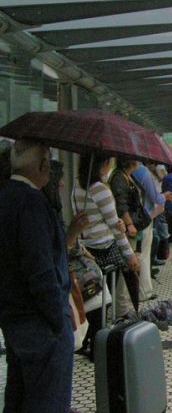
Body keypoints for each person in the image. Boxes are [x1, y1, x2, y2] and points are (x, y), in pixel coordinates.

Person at [0, 139, 84, 412]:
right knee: (48, 402)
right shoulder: (32, 202)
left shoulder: (5, 197)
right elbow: (40, 270)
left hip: (14, 321)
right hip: (41, 325)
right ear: (43, 164)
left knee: (19, 399)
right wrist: (57, 321)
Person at [73, 154, 141, 359]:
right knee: (105, 302)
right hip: (105, 249)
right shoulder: (100, 189)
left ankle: (90, 342)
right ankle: (100, 348)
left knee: (93, 301)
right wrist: (129, 255)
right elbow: (114, 225)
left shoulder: (77, 185)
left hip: (86, 250)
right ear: (104, 164)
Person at [109, 157, 146, 315]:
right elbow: (121, 204)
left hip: (133, 226)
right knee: (127, 267)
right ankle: (121, 309)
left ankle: (124, 305)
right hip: (126, 228)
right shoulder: (119, 178)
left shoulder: (127, 176)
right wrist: (129, 223)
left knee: (132, 265)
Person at [132, 162, 172, 300]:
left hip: (132, 219)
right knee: (143, 255)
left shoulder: (119, 173)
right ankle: (144, 291)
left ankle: (136, 290)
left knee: (135, 254)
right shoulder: (142, 172)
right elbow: (154, 196)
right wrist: (164, 196)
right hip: (145, 217)